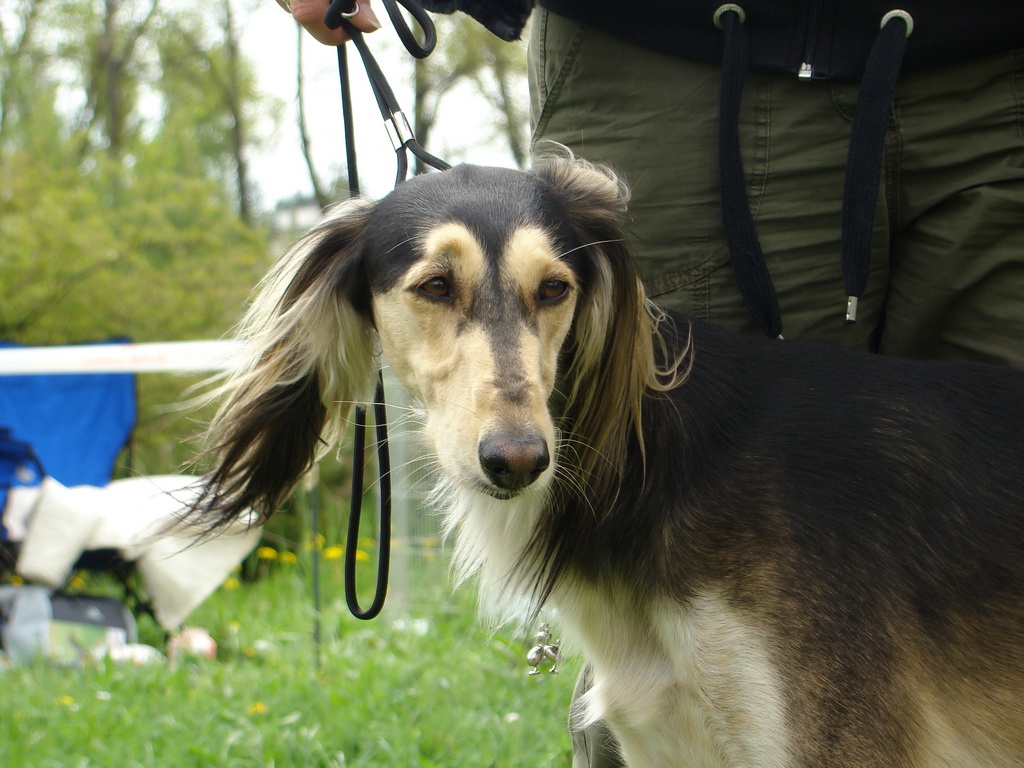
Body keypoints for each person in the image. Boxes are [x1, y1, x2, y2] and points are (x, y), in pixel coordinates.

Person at [282, 1, 1024, 765]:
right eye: (437, 290)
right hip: (675, 57)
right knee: (647, 606)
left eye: (550, 291)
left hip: (993, 70)